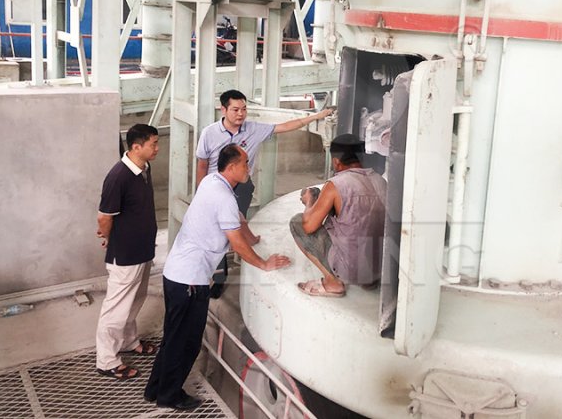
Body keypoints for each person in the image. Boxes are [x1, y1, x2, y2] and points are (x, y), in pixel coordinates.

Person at [144, 144, 290, 410]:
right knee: (187, 342)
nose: (249, 168)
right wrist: (264, 263)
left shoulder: (212, 182)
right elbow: (236, 242)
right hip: (190, 280)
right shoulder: (224, 197)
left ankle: (155, 389)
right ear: (232, 167)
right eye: (245, 163)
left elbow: (238, 221)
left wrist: (254, 238)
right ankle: (169, 396)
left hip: (177, 273)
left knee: (173, 337)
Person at [195, 89, 332, 297]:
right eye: (235, 110)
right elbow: (202, 165)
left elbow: (285, 126)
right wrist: (201, 193)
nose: (241, 114)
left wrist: (316, 116)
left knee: (230, 229)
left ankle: (232, 264)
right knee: (217, 231)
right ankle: (219, 274)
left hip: (241, 187)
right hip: (215, 188)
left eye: (244, 109)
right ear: (223, 109)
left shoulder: (253, 129)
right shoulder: (209, 133)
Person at [95, 124, 160, 380]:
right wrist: (110, 238)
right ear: (136, 147)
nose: (157, 148)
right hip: (125, 254)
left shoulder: (144, 168)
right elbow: (104, 218)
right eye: (153, 144)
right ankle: (106, 360)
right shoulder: (118, 177)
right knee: (116, 309)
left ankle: (129, 341)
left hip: (142, 249)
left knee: (135, 300)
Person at [290, 134, 387, 297]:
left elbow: (308, 226)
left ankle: (332, 282)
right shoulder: (380, 181)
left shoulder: (336, 184)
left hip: (351, 270)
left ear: (336, 162)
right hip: (380, 269)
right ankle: (368, 282)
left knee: (297, 222)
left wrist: (309, 202)